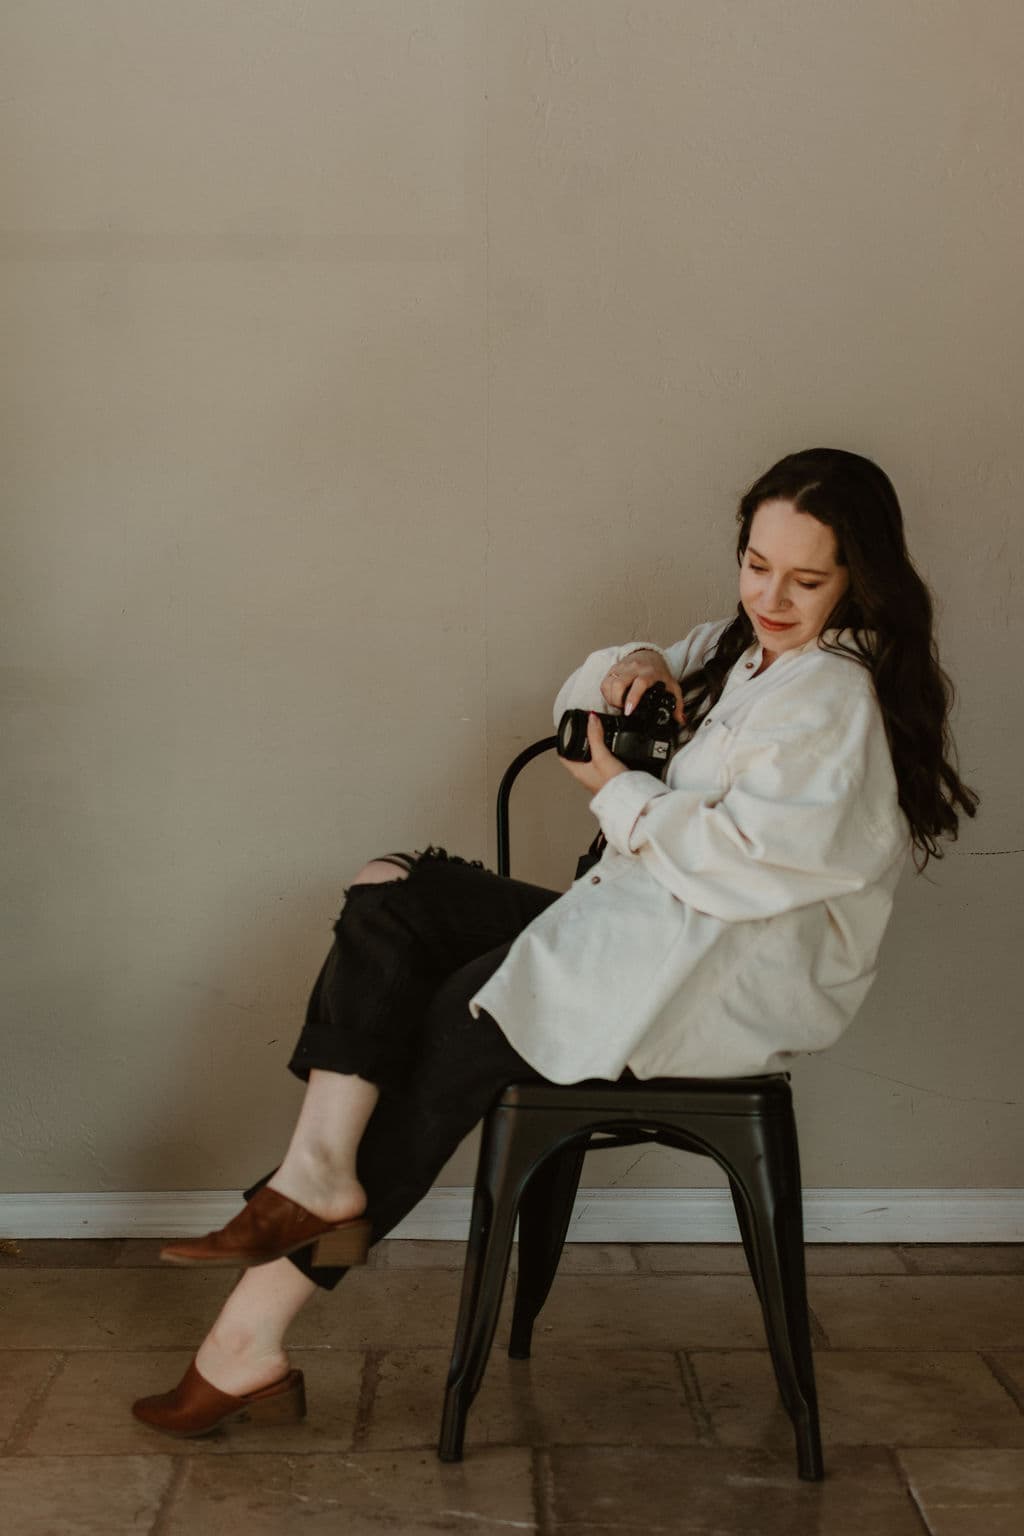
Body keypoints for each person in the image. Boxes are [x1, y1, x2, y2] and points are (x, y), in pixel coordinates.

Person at [132, 447, 978, 1437]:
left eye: (806, 579)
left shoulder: (830, 696)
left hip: (717, 977)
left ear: (856, 578)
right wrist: (637, 664)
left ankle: (247, 1340)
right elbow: (585, 694)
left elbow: (743, 867)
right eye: (756, 565)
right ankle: (315, 1170)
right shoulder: (743, 651)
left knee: (456, 1026)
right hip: (643, 928)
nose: (771, 598)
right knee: (392, 892)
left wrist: (616, 790)